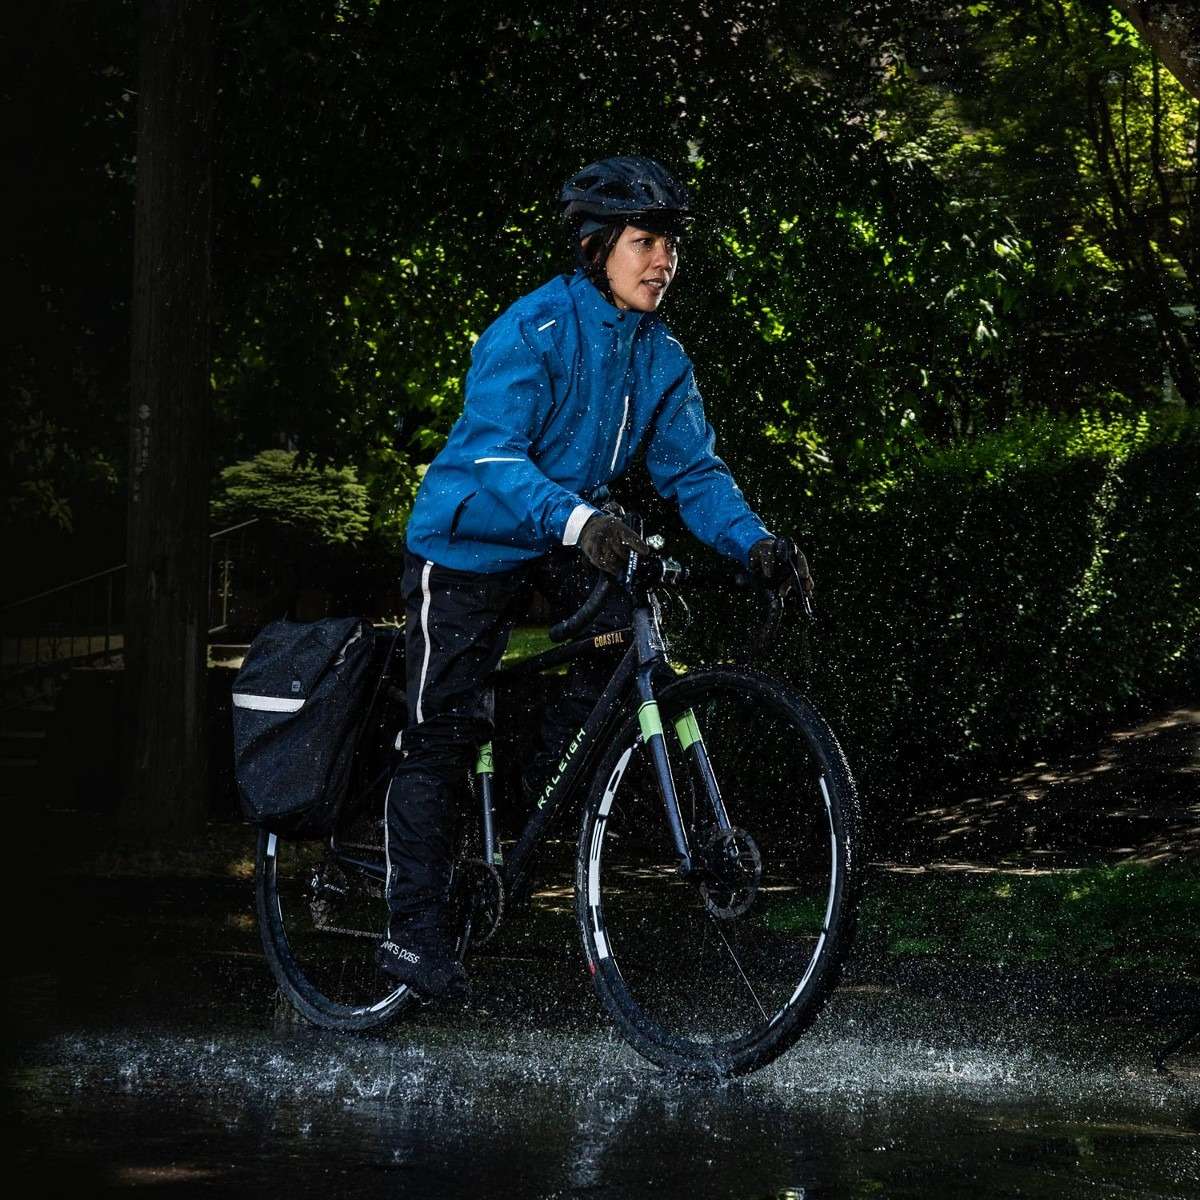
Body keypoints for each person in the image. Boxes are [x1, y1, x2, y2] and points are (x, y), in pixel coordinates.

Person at [378, 156, 812, 999]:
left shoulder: (661, 357)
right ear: (597, 247)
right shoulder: (533, 329)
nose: (663, 261)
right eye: (645, 243)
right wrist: (587, 524)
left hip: (564, 536)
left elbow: (694, 473)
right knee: (443, 733)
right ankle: (412, 930)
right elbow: (496, 457)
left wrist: (757, 545)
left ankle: (531, 804)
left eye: (670, 247)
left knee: (622, 651)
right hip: (466, 541)